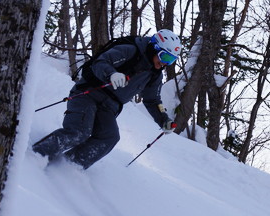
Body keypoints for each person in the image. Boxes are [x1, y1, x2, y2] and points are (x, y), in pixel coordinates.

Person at [33, 29, 182, 169]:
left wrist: (164, 120)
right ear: (154, 48)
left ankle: (67, 167)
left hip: (109, 107)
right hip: (88, 93)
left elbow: (152, 100)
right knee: (79, 131)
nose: (165, 63)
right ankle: (36, 156)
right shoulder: (131, 50)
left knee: (109, 137)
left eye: (171, 61)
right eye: (165, 57)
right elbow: (101, 62)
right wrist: (111, 74)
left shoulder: (154, 75)